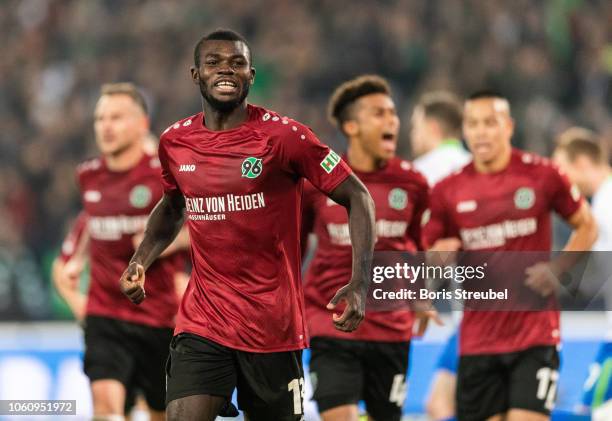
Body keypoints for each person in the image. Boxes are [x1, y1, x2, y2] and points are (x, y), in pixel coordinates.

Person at [119, 29, 376, 421]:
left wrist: (360, 281)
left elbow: (358, 196)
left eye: (237, 63)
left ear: (251, 75)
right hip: (203, 321)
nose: (226, 70)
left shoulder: (286, 138)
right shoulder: (175, 142)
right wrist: (142, 259)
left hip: (273, 328)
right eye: (214, 63)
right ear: (195, 75)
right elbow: (172, 207)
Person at [422, 90, 598, 421]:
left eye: (490, 122)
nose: (480, 132)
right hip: (477, 340)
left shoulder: (542, 175)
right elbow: (428, 255)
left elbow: (587, 225)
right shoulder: (447, 190)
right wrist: (437, 258)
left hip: (535, 335)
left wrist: (559, 269)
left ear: (509, 127)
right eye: (472, 124)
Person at [301, 75, 439, 421]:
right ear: (351, 126)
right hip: (329, 321)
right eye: (379, 113)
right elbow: (294, 246)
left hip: (392, 327)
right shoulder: (318, 182)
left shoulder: (413, 182)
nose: (392, 120)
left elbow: (417, 244)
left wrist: (420, 295)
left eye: (393, 114)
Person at [53, 82, 189, 421]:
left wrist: (152, 240)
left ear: (142, 124)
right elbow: (86, 229)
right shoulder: (88, 175)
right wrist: (81, 300)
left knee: (161, 412)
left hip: (157, 316)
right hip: (105, 317)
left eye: (116, 117)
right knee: (106, 409)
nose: (106, 126)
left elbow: (204, 228)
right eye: (100, 119)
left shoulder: (165, 176)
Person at [410, 91, 469, 421]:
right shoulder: (475, 167)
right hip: (500, 306)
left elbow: (438, 248)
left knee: (440, 405)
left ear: (432, 127)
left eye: (416, 126)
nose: (411, 135)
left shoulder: (423, 173)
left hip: (478, 318)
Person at [553, 128, 612, 420]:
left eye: (562, 172)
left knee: (592, 412)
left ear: (583, 163)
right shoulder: (601, 201)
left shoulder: (607, 202)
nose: (560, 183)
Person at [410, 91, 471, 186]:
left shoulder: (418, 172)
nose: (413, 134)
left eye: (416, 127)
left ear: (432, 128)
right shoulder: (476, 165)